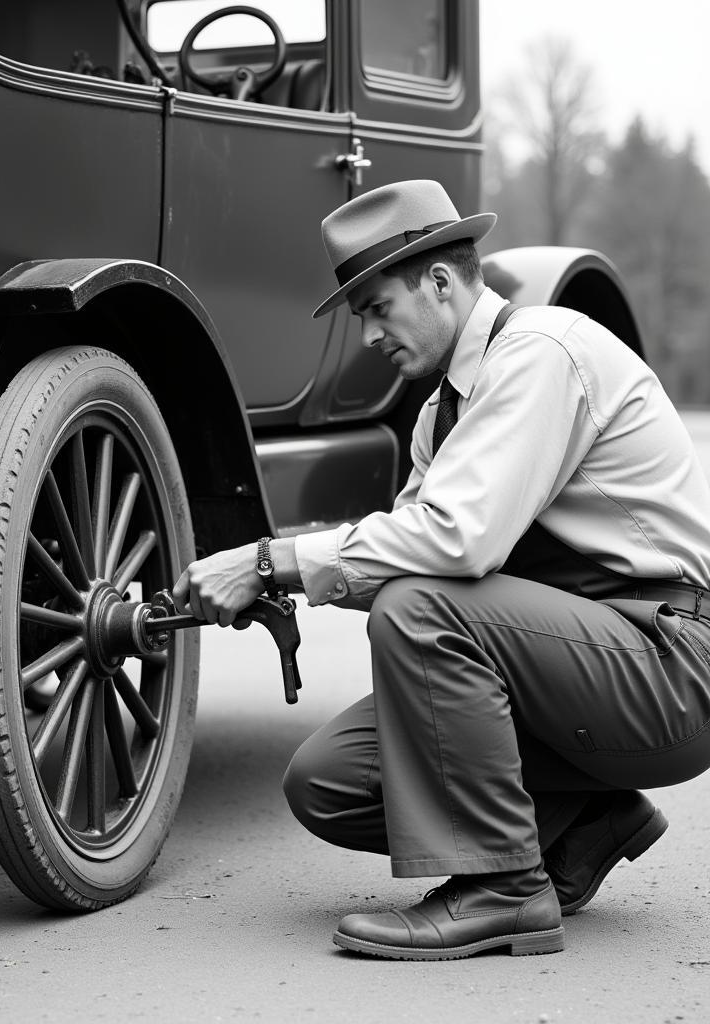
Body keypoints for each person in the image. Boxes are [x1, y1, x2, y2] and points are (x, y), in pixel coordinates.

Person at [172, 178, 710, 960]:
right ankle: (589, 820)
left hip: (668, 664)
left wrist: (273, 558)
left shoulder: (540, 354)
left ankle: (502, 889)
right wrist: (271, 585)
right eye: (361, 319)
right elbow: (403, 557)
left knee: (423, 609)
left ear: (439, 282)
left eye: (378, 309)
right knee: (327, 779)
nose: (369, 338)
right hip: (580, 668)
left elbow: (455, 546)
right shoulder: (440, 414)